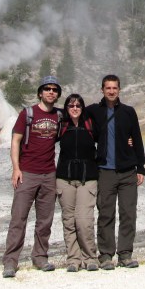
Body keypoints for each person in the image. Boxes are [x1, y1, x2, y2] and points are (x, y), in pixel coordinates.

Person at [2, 75, 63, 278]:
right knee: (18, 218)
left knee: (45, 220)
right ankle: (10, 262)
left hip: (49, 174)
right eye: (47, 89)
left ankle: (40, 257)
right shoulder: (27, 114)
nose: (51, 92)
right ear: (40, 92)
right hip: (27, 173)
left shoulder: (59, 117)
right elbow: (16, 140)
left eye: (54, 89)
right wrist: (16, 168)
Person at [87, 74, 145, 270]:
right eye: (108, 88)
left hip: (128, 171)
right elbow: (73, 114)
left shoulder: (128, 112)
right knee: (106, 213)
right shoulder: (94, 111)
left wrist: (141, 167)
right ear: (102, 90)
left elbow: (136, 139)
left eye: (114, 88)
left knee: (128, 213)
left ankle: (125, 254)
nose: (111, 91)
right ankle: (105, 255)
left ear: (119, 90)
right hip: (105, 171)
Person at [55, 93, 100, 272]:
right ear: (66, 108)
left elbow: (107, 140)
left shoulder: (91, 125)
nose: (75, 108)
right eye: (71, 105)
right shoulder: (61, 126)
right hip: (64, 179)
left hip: (87, 179)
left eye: (78, 105)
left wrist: (129, 141)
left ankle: (90, 257)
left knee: (84, 220)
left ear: (83, 108)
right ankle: (73, 259)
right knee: (69, 220)